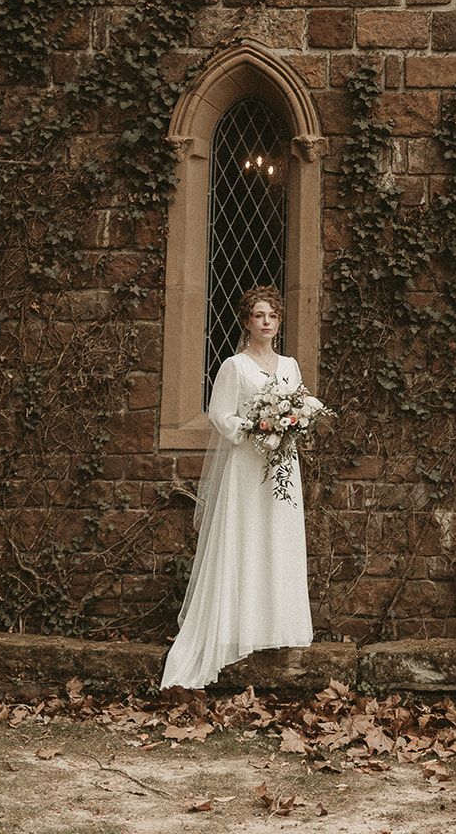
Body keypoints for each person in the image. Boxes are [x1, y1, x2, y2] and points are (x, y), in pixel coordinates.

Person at [160, 284, 314, 690]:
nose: (266, 322)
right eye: (259, 315)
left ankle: (277, 626)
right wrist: (255, 426)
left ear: (279, 322)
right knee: (246, 538)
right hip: (247, 465)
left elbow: (299, 406)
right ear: (247, 321)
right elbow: (220, 414)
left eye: (273, 316)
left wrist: (289, 423)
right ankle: (236, 627)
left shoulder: (290, 366)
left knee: (279, 539)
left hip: (282, 465)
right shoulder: (235, 366)